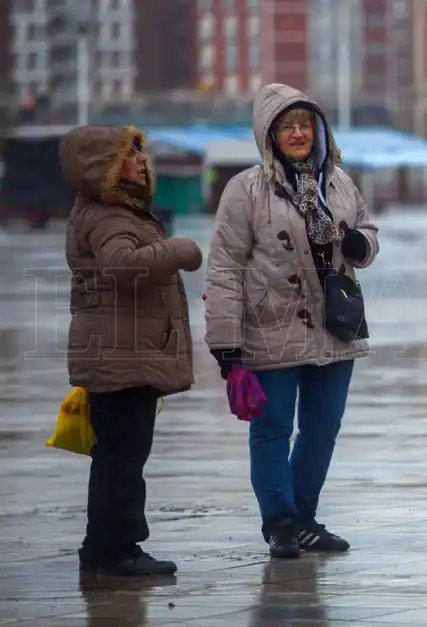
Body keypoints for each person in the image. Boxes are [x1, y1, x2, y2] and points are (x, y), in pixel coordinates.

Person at [204, 83, 379, 559]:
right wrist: (227, 346)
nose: (298, 133)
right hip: (270, 326)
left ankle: (304, 517)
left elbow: (365, 228)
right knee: (272, 428)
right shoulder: (245, 190)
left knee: (323, 427)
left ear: (318, 129)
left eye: (305, 124)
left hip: (335, 327)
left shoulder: (338, 181)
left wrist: (363, 244)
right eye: (287, 126)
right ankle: (280, 522)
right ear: (270, 135)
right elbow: (224, 268)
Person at [62, 124, 204, 576]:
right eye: (130, 154)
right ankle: (115, 550)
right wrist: (176, 251)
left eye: (142, 153)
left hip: (123, 350)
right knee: (122, 455)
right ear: (104, 167)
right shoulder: (109, 216)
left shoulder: (116, 211)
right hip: (120, 354)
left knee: (121, 453)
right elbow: (122, 267)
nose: (142, 161)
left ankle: (107, 545)